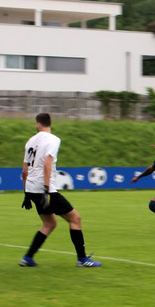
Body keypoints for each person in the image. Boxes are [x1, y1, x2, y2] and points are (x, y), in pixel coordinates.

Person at [19, 112, 101, 267]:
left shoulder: (30, 141)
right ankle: (82, 259)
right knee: (75, 219)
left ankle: (27, 258)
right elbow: (47, 164)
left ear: (38, 124)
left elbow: (24, 170)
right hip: (45, 190)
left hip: (32, 188)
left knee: (49, 223)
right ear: (50, 123)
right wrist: (47, 189)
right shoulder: (53, 140)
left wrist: (26, 193)